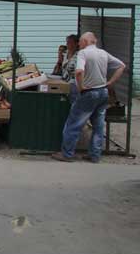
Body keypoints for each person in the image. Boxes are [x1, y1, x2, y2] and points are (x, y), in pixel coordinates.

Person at [52, 32, 125, 164]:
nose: (79, 44)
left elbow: (79, 71)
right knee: (98, 125)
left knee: (74, 123)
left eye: (80, 41)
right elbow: (121, 66)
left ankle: (67, 154)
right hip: (103, 92)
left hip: (89, 92)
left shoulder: (83, 54)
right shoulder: (103, 53)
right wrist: (110, 83)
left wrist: (80, 87)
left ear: (85, 41)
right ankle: (94, 155)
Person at [52, 33, 80, 103]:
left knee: (74, 103)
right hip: (64, 82)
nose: (68, 44)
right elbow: (59, 64)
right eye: (67, 42)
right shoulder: (64, 54)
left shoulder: (80, 55)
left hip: (75, 84)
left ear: (76, 44)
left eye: (70, 42)